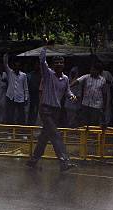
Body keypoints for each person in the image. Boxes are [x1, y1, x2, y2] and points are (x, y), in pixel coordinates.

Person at [26, 43, 77, 172]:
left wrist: (72, 96)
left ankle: (33, 160)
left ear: (64, 64)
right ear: (53, 65)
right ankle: (64, 161)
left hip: (56, 111)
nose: (59, 65)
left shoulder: (65, 79)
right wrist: (45, 47)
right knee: (56, 135)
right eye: (57, 63)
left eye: (61, 62)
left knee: (45, 137)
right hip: (45, 109)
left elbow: (68, 91)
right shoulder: (48, 74)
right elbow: (42, 60)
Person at [71, 62, 107, 126]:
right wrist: (68, 86)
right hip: (85, 104)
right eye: (91, 69)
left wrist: (104, 105)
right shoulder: (86, 77)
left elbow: (104, 93)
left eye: (93, 70)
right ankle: (85, 136)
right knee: (84, 123)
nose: (91, 71)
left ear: (98, 71)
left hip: (96, 106)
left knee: (94, 124)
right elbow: (77, 81)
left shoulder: (103, 80)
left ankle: (92, 136)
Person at [3, 53, 29, 125]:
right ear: (13, 66)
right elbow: (5, 64)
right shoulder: (10, 73)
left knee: (21, 115)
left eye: (18, 65)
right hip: (10, 97)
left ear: (20, 66)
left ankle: (21, 132)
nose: (17, 67)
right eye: (15, 65)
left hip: (20, 98)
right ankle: (10, 132)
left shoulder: (23, 75)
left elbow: (25, 87)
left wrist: (26, 98)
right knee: (10, 115)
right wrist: (6, 54)